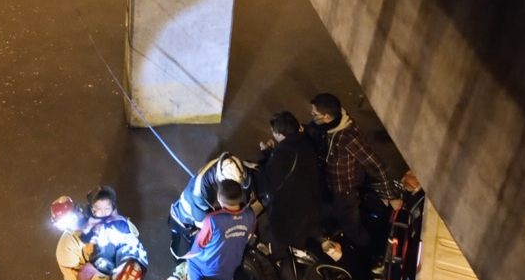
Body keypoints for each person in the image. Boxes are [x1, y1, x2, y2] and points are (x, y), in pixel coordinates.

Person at [307, 93, 402, 249]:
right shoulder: (325, 126)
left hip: (344, 193)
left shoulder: (349, 138)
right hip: (330, 186)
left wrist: (390, 195)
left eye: (315, 113)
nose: (312, 115)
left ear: (327, 117)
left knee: (351, 227)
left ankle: (367, 249)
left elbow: (376, 165)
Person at [254, 111, 323, 260]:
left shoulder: (281, 153)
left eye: (274, 132)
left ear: (279, 133)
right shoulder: (305, 142)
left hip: (289, 216)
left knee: (278, 245)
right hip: (311, 208)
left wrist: (264, 163)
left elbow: (268, 185)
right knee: (299, 242)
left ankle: (278, 261)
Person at [53, 188, 147, 280]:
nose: (71, 225)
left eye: (72, 218)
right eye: (63, 223)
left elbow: (129, 237)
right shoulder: (66, 248)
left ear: (79, 210)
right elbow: (75, 279)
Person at [186, 179, 256, 280]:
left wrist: (185, 254)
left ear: (219, 197)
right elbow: (248, 237)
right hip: (229, 268)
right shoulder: (250, 216)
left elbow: (198, 247)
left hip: (207, 266)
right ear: (241, 196)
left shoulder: (212, 220)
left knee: (192, 261)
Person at [168, 153, 249, 259]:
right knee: (181, 252)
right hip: (183, 219)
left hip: (204, 207)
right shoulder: (199, 195)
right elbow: (205, 226)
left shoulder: (224, 165)